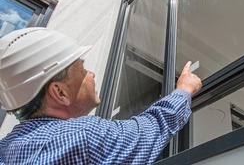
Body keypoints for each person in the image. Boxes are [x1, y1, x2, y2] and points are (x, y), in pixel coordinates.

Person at [0, 27, 202, 164]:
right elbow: (152, 127)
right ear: (60, 92)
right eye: (82, 68)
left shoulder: (6, 148)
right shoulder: (80, 136)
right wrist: (184, 90)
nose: (92, 74)